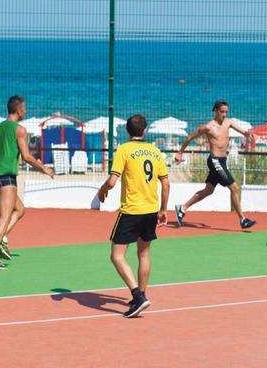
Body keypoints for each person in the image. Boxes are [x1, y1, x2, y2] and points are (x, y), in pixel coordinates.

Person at [97, 114, 169, 318]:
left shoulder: (124, 149)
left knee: (117, 256)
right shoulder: (155, 151)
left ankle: (138, 296)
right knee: (144, 254)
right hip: (151, 210)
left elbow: (112, 181)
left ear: (128, 131)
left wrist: (102, 190)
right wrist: (163, 209)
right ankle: (142, 295)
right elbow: (165, 183)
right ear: (145, 130)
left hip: (131, 211)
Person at [0, 95, 54, 270]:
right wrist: (44, 169)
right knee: (5, 217)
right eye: (25, 107)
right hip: (6, 178)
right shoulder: (19, 129)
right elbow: (27, 156)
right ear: (19, 109)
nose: (26, 110)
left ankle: (1, 239)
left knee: (20, 210)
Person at [173, 100, 256, 230]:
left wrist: (247, 134)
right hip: (214, 160)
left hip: (222, 161)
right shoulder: (208, 127)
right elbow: (190, 137)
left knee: (208, 190)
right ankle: (242, 219)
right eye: (222, 112)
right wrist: (180, 152)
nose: (224, 114)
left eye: (226, 112)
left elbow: (242, 131)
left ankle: (182, 208)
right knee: (234, 188)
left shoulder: (228, 122)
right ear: (216, 111)